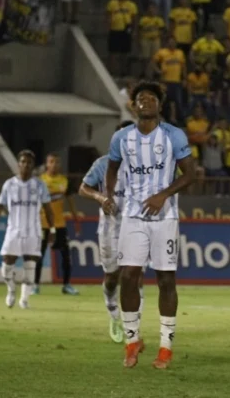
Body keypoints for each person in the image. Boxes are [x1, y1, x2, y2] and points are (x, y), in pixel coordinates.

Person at [105, 81, 196, 369]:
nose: (146, 101)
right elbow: (111, 168)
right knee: (129, 276)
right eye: (141, 98)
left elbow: (191, 173)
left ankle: (166, 347)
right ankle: (132, 342)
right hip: (132, 216)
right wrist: (109, 197)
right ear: (133, 106)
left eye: (152, 98)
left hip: (165, 218)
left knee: (166, 280)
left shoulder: (173, 136)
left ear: (160, 104)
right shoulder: (122, 138)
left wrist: (163, 195)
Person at [79, 121, 147, 344]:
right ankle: (113, 313)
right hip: (110, 230)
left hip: (137, 228)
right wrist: (100, 198)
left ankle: (132, 325)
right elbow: (83, 188)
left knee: (136, 276)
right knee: (112, 278)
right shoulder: (103, 164)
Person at [0, 150, 54, 310]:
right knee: (6, 266)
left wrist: (52, 230)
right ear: (18, 164)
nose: (25, 165)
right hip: (13, 231)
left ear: (33, 166)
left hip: (33, 232)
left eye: (29, 162)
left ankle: (24, 299)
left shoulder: (39, 185)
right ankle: (11, 290)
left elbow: (48, 209)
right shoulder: (9, 184)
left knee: (30, 267)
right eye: (23, 161)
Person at [34, 153, 80, 296]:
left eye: (57, 162)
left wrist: (76, 219)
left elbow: (71, 202)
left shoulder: (64, 181)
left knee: (66, 256)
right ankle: (35, 285)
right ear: (47, 164)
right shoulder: (40, 181)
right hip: (43, 224)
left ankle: (66, 285)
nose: (54, 164)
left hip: (60, 224)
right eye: (51, 161)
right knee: (38, 256)